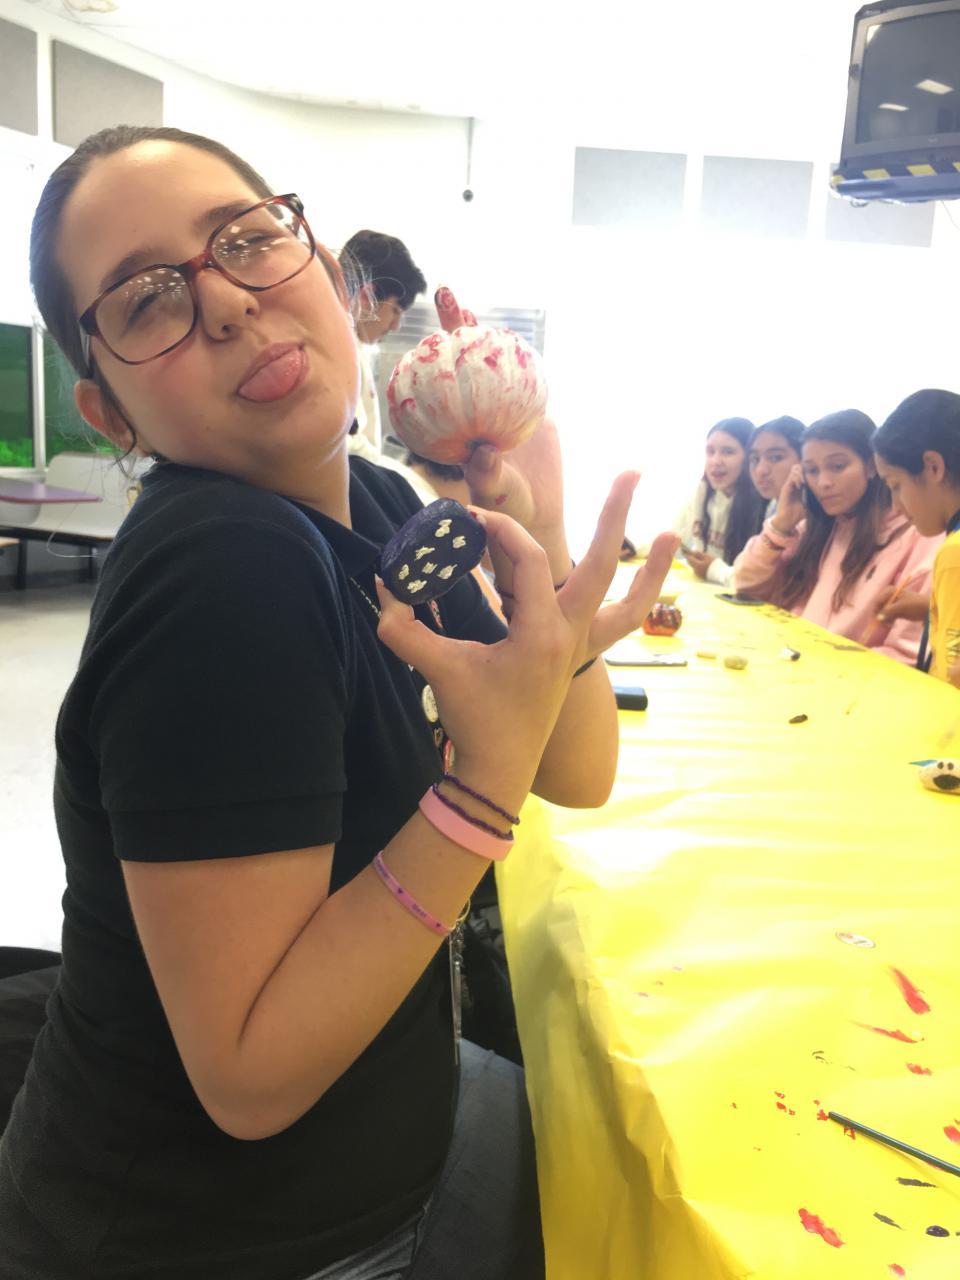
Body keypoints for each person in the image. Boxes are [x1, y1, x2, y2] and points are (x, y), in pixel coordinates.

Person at [0, 124, 677, 1280]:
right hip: (227, 1238)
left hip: (378, 1144)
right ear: (110, 412)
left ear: (321, 267)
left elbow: (576, 768)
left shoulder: (375, 502)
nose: (226, 302)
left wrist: (543, 540)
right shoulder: (224, 564)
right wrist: (477, 792)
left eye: (246, 239)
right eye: (148, 299)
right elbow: (248, 1075)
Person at [733, 410, 940, 665]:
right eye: (811, 470)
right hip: (794, 667)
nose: (823, 482)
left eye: (837, 466)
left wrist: (818, 665)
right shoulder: (817, 528)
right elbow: (745, 585)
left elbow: (906, 656)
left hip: (849, 681)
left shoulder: (918, 535)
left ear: (871, 466)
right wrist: (782, 523)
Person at [873, 389, 960, 687]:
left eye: (895, 485)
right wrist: (929, 607)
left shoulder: (954, 554)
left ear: (933, 467)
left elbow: (954, 677)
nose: (896, 505)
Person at [339, 229, 426, 459]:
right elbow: (351, 448)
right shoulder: (338, 348)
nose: (396, 326)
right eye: (395, 310)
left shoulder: (354, 343)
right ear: (367, 295)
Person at [674, 417, 765, 586]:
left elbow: (757, 583)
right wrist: (632, 547)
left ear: (749, 458)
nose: (716, 461)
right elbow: (674, 538)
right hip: (702, 592)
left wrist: (713, 569)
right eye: (710, 452)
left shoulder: (765, 504)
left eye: (728, 452)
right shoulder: (702, 491)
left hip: (736, 597)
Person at [748, 416, 804, 518]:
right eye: (755, 459)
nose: (760, 470)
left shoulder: (816, 512)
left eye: (775, 457)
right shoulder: (773, 504)